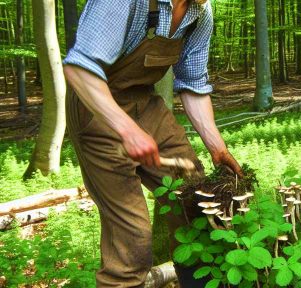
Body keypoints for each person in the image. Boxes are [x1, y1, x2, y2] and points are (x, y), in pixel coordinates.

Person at [62, 0, 242, 287]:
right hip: (95, 108)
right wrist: (127, 129)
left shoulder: (200, 13)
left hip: (144, 103)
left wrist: (217, 148)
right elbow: (79, 70)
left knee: (195, 201)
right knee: (131, 237)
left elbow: (193, 82)